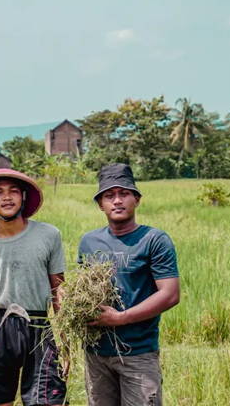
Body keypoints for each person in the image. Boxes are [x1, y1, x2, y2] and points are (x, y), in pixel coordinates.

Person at [77, 163, 180, 406]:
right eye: (109, 195)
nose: (117, 200)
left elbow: (170, 294)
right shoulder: (89, 242)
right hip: (97, 354)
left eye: (124, 193)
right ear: (100, 204)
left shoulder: (154, 240)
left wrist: (122, 317)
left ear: (136, 199)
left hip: (138, 353)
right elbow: (83, 292)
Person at [0, 168, 68, 406]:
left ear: (23, 196)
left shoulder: (48, 235)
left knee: (47, 400)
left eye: (13, 191)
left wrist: (64, 334)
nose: (6, 197)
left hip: (40, 326)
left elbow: (58, 288)